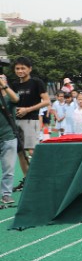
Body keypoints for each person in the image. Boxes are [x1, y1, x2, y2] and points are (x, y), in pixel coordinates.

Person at [9, 56, 50, 191]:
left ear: (29, 69)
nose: (20, 71)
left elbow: (46, 101)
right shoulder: (14, 85)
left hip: (31, 119)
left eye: (23, 68)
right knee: (20, 152)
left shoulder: (36, 82)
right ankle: (28, 180)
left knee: (32, 150)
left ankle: (42, 177)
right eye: (17, 68)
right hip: (15, 121)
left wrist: (27, 109)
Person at [0, 72, 20, 206]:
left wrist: (4, 86)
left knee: (8, 168)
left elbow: (16, 99)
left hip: (8, 137)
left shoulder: (9, 97)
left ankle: (6, 195)